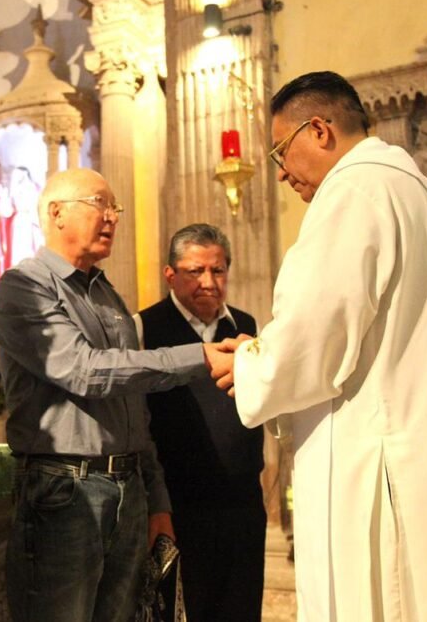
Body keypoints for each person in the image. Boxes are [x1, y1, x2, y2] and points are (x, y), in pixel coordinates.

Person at [212, 71, 427, 621]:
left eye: (282, 150)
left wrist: (249, 362)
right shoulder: (414, 191)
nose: (280, 173)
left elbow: (316, 339)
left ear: (320, 130)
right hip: (420, 448)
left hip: (378, 456)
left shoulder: (352, 192)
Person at [0, 168, 225, 622]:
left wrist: (156, 499)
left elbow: (134, 408)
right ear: (56, 212)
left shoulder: (107, 296)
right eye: (101, 204)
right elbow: (83, 370)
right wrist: (201, 356)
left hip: (129, 488)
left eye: (115, 208)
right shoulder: (25, 286)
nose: (113, 217)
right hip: (65, 491)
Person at [134, 223, 265, 622]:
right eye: (195, 271)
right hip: (178, 508)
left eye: (218, 270)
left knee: (240, 610)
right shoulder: (144, 327)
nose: (208, 281)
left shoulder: (246, 326)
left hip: (242, 505)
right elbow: (138, 419)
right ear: (170, 274)